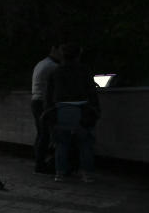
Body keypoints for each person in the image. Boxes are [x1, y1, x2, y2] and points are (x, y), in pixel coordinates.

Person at [46, 43, 100, 183]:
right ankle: (87, 174)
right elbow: (91, 92)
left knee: (61, 144)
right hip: (82, 108)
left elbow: (49, 94)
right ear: (78, 55)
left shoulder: (56, 72)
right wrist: (95, 110)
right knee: (85, 143)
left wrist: (49, 112)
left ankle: (60, 173)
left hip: (61, 110)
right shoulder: (84, 71)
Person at [31, 45, 61, 173]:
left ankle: (39, 162)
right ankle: (41, 164)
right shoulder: (53, 67)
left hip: (36, 100)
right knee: (45, 134)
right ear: (55, 50)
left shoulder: (41, 64)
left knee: (41, 133)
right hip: (43, 102)